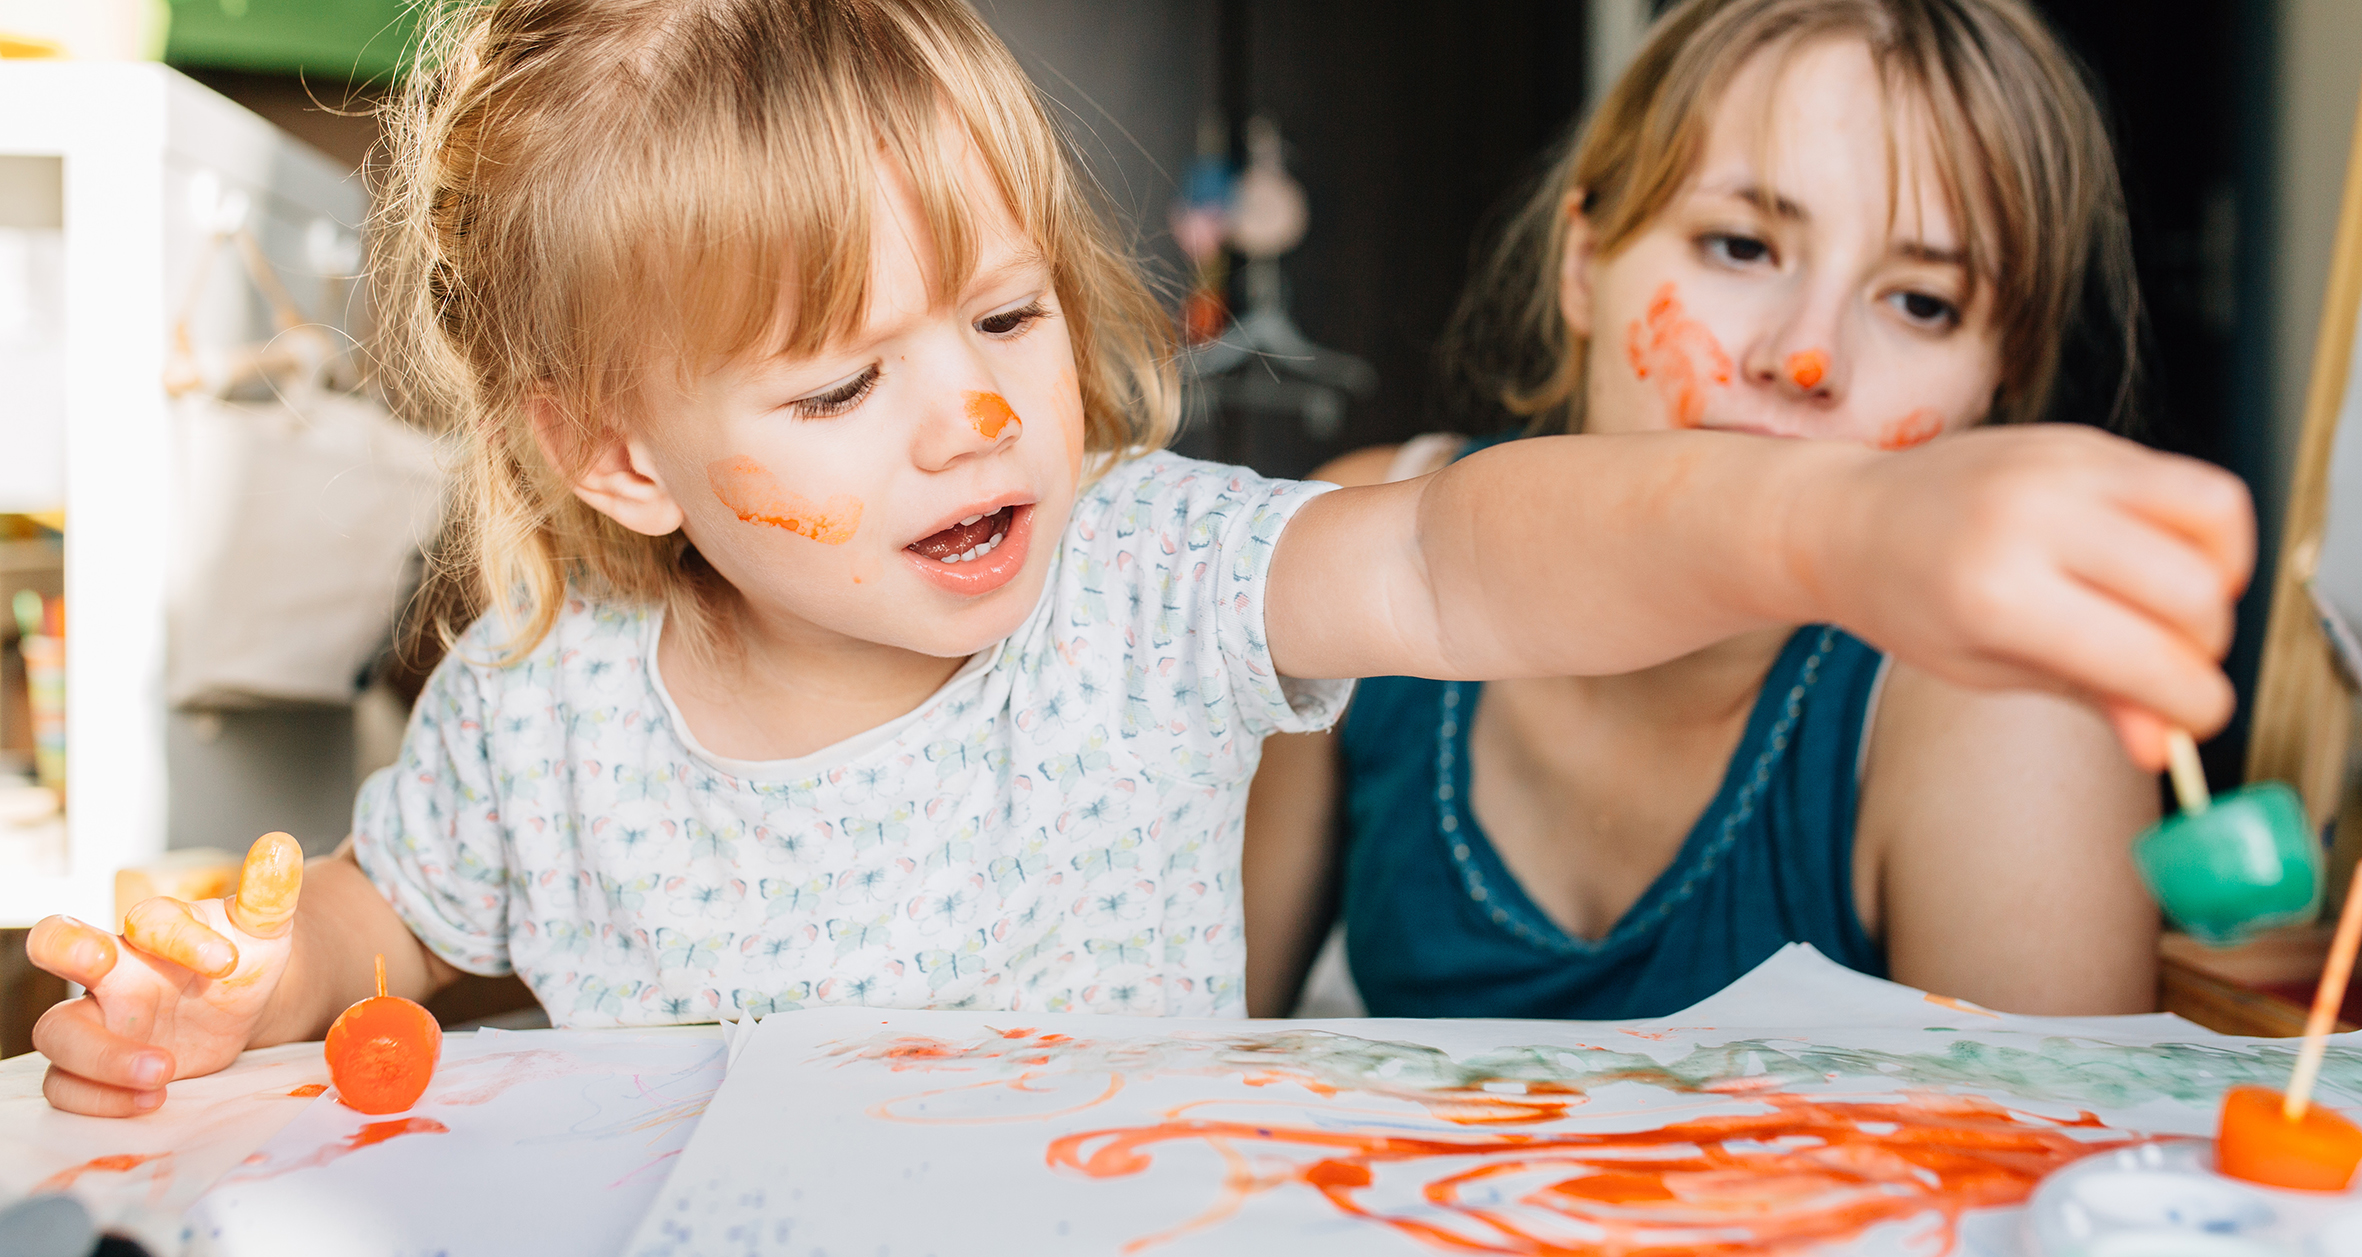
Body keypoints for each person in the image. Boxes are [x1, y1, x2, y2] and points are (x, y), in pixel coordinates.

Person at [31, 0, 2247, 1118]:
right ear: (617, 456)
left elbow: (1473, 558)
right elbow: (374, 915)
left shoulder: (1151, 581)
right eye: (834, 390)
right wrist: (265, 974)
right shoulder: (542, 701)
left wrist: (1840, 520)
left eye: (1003, 317)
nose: (983, 417)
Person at [1244, 0, 2188, 1023]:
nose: (1805, 357)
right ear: (1582, 264)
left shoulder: (2012, 702)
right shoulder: (1352, 548)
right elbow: (1169, 1060)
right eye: (1741, 246)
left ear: (1995, 387)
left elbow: (2030, 1173)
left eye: (1920, 301)